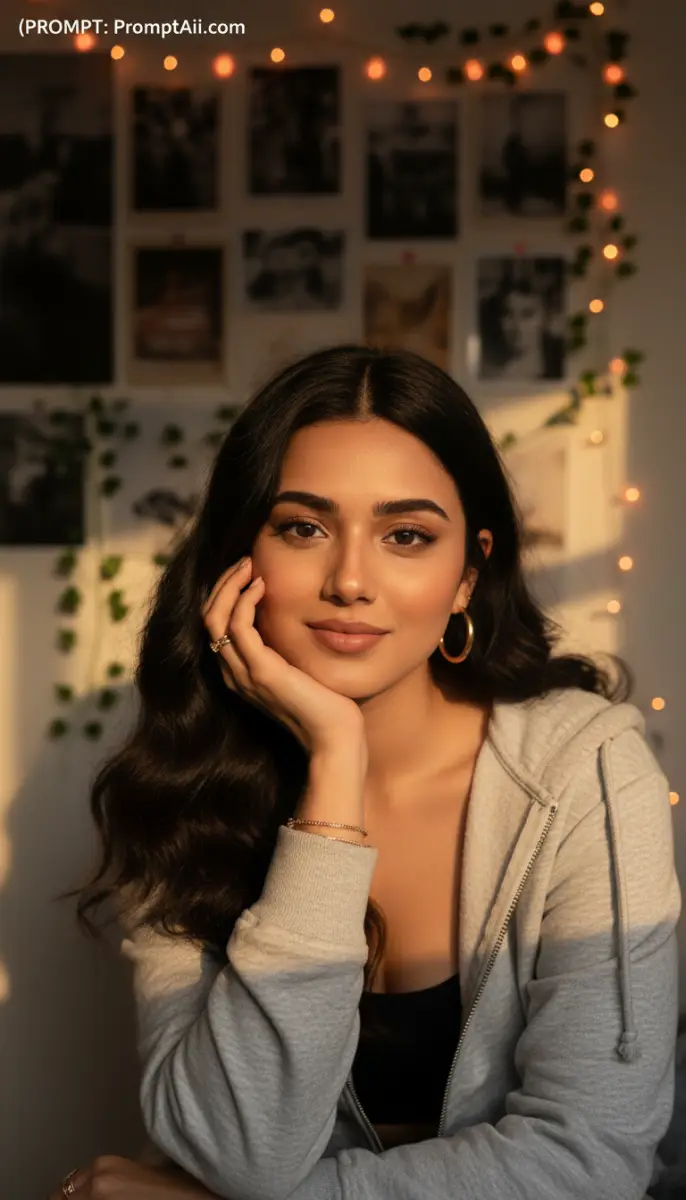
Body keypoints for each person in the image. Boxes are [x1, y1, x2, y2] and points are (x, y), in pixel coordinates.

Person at [50, 345, 680, 1200]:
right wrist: (334, 772)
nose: (350, 579)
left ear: (468, 575)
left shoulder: (586, 771)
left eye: (406, 536)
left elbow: (588, 1162)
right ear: (241, 555)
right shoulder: (183, 784)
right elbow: (243, 1151)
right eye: (302, 527)